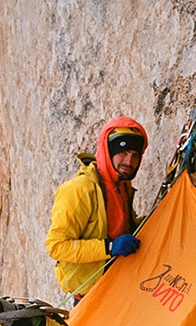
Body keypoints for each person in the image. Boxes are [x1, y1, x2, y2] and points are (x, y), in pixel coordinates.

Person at [45, 116, 147, 297]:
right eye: (123, 153)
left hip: (117, 283)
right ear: (108, 151)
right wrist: (109, 247)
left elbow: (121, 226)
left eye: (135, 155)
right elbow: (57, 246)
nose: (129, 162)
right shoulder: (79, 190)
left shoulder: (122, 186)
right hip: (89, 295)